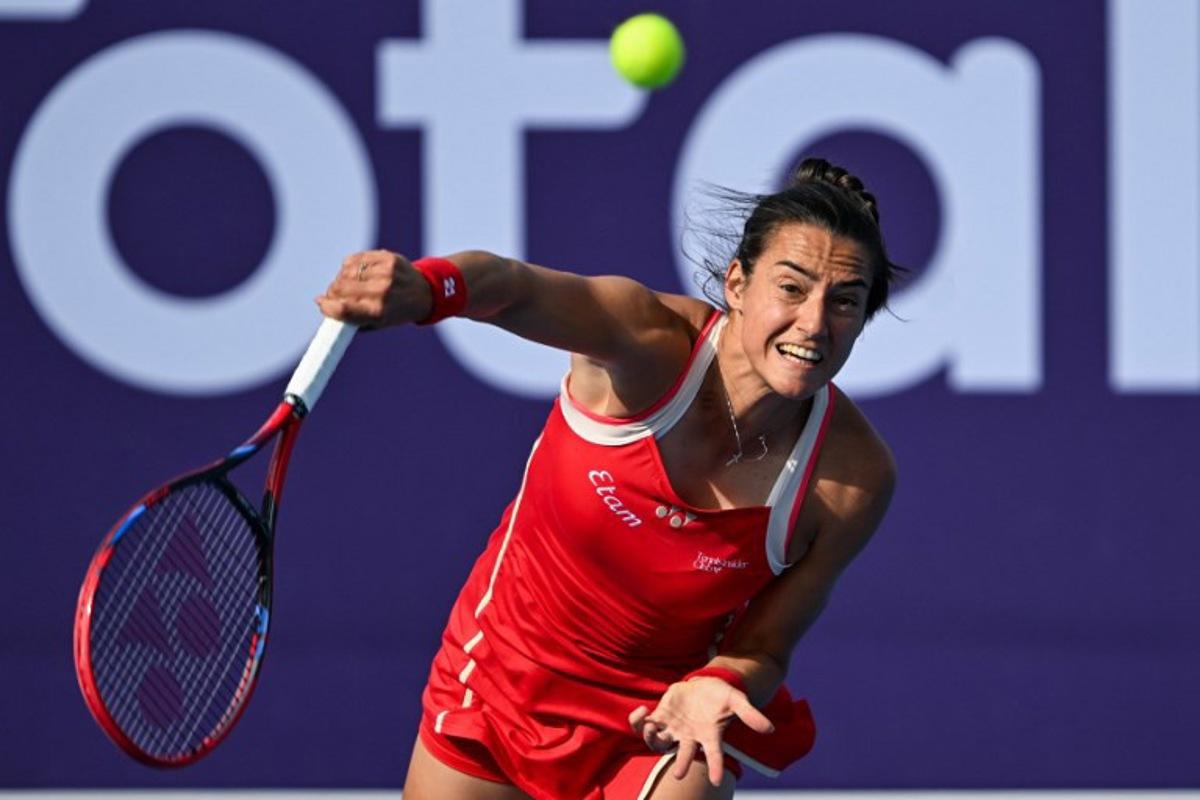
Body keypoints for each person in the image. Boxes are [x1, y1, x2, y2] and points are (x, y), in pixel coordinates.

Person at [317, 158, 898, 800]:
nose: (815, 324)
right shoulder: (644, 341)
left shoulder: (852, 478)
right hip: (502, 682)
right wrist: (430, 289)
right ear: (737, 284)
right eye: (791, 288)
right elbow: (514, 286)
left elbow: (767, 644)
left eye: (844, 302)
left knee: (691, 782)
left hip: (657, 720)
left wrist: (721, 685)